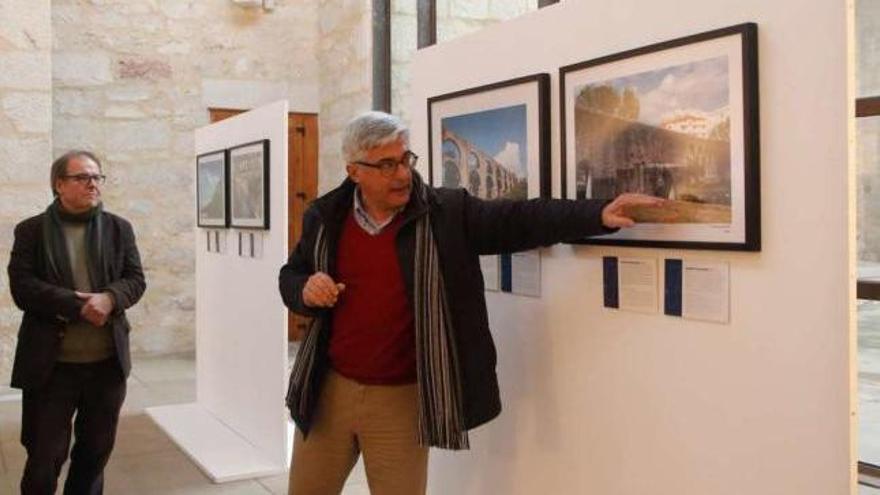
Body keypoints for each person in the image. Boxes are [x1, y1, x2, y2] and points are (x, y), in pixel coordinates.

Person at [278, 111, 662, 495]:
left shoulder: (446, 214)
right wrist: (305, 289)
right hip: (328, 390)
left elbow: (520, 219)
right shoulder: (325, 218)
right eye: (386, 165)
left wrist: (597, 213)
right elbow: (290, 276)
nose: (402, 174)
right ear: (354, 171)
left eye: (405, 159)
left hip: (401, 400)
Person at [7, 150, 146, 495]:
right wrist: (76, 305)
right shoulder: (31, 231)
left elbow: (135, 279)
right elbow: (23, 288)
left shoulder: (118, 228)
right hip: (51, 367)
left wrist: (110, 298)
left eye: (97, 177)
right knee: (43, 457)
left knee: (94, 454)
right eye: (82, 177)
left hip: (106, 365)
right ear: (59, 184)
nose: (93, 184)